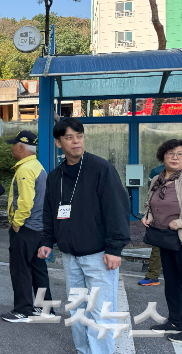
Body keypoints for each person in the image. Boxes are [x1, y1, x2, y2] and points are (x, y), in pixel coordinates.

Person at [39, 118, 130, 353]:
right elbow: (49, 211)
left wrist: (114, 248)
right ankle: (84, 350)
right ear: (58, 143)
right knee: (77, 310)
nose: (76, 141)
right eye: (69, 137)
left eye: (79, 136)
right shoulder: (55, 176)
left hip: (99, 255)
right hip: (71, 256)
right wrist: (47, 241)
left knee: (101, 312)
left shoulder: (100, 169)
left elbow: (116, 208)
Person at [1, 131, 53, 323]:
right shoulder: (37, 166)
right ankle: (44, 308)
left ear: (21, 147)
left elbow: (25, 201)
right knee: (38, 268)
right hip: (39, 227)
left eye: (13, 145)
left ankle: (23, 309)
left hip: (26, 228)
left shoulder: (24, 169)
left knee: (21, 268)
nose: (11, 148)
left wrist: (16, 223)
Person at [142, 139, 182, 343]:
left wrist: (180, 222)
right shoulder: (158, 178)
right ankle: (176, 320)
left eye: (180, 154)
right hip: (165, 238)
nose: (175, 158)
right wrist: (147, 216)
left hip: (179, 236)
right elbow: (151, 203)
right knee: (172, 283)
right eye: (171, 153)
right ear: (163, 156)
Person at [139, 163, 166, 287]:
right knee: (157, 247)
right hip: (161, 218)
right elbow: (151, 198)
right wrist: (148, 214)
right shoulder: (157, 172)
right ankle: (153, 276)